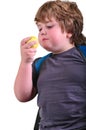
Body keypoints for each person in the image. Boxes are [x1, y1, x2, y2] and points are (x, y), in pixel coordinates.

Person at [14, 0, 86, 130]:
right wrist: (25, 61)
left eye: (49, 26)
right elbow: (22, 95)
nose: (42, 32)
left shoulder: (83, 55)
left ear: (70, 29)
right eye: (40, 28)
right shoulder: (40, 63)